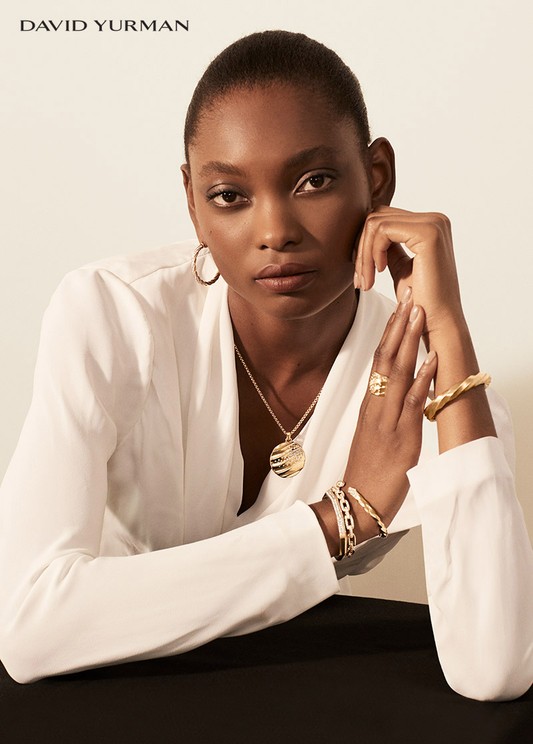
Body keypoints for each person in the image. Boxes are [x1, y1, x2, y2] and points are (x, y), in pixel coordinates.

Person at [0, 31, 531, 699]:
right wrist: (343, 518)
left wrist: (447, 325)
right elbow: (30, 625)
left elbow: (493, 668)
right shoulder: (114, 315)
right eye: (229, 195)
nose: (275, 231)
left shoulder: (429, 377)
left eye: (314, 181)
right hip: (106, 698)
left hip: (299, 705)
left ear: (377, 177)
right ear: (192, 202)